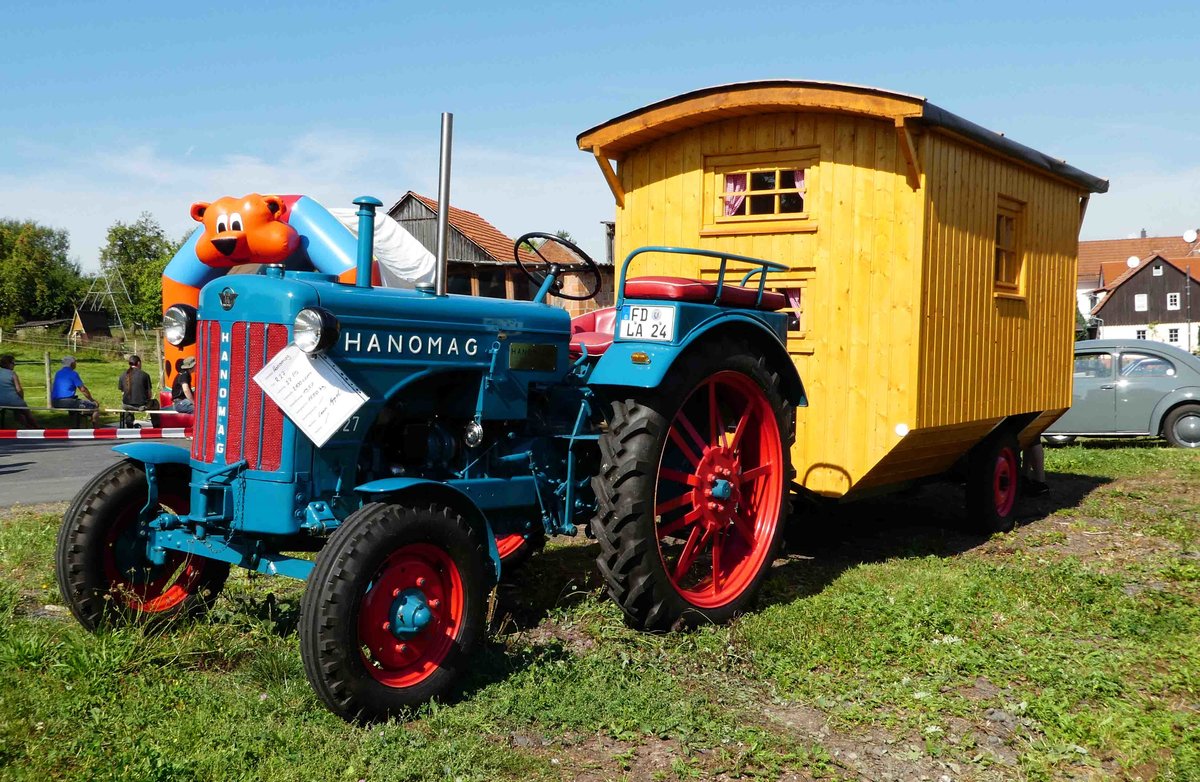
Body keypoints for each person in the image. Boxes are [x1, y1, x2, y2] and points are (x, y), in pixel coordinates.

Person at [51, 356, 99, 427]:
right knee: (94, 407)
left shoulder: (58, 373)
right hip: (67, 402)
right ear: (71, 363)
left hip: (55, 402)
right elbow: (83, 389)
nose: (76, 364)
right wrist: (92, 400)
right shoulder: (73, 374)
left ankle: (76, 426)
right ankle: (96, 431)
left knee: (76, 405)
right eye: (75, 362)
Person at [0, 354, 39, 429]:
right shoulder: (12, 374)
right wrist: (21, 398)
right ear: (8, 364)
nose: (14, 365)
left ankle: (28, 426)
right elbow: (19, 389)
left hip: (1, 401)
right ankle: (37, 428)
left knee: (17, 412)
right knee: (27, 413)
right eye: (13, 363)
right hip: (13, 400)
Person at [117, 354, 155, 428]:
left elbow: (122, 393)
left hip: (126, 405)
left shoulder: (122, 375)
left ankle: (129, 423)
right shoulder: (145, 375)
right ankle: (156, 426)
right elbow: (149, 394)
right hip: (141, 405)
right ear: (138, 363)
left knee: (129, 404)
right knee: (155, 403)